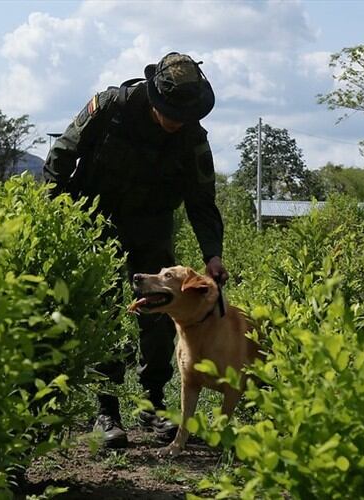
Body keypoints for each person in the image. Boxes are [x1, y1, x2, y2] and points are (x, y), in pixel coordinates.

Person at [44, 52, 228, 448]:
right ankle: (106, 411)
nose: (175, 122)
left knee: (162, 315)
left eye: (184, 115)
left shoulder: (193, 137)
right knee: (104, 315)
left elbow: (202, 201)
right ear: (154, 96)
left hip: (152, 227)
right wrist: (57, 215)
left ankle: (153, 405)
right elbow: (60, 156)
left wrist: (212, 253)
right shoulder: (111, 107)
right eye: (170, 113)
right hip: (95, 222)